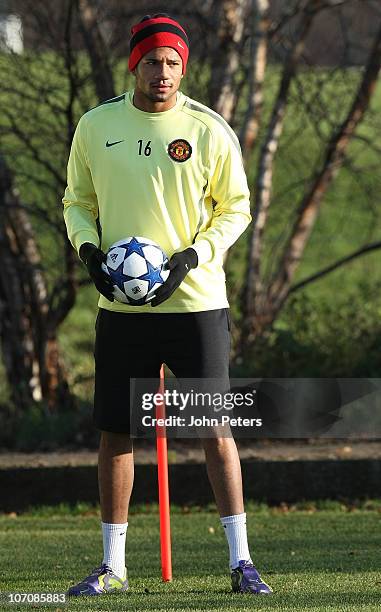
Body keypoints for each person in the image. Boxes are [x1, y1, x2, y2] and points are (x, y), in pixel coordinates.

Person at [62, 13, 273, 597]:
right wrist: (88, 252)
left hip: (196, 306)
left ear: (185, 67)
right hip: (123, 311)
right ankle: (113, 566)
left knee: (214, 429)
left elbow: (237, 207)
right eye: (153, 60)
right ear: (136, 64)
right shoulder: (96, 125)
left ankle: (241, 561)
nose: (164, 72)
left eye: (174, 62)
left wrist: (190, 258)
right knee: (115, 432)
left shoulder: (208, 129)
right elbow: (76, 201)